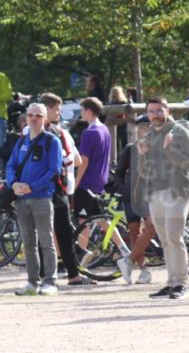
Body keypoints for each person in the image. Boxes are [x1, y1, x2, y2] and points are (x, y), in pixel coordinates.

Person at [133, 97, 189, 300]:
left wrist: (170, 149)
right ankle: (171, 283)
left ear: (167, 110)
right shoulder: (149, 135)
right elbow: (143, 173)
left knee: (174, 237)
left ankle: (181, 284)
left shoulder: (180, 132)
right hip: (155, 194)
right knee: (164, 240)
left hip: (177, 192)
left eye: (159, 110)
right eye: (151, 111)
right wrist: (143, 155)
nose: (155, 114)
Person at [6, 103, 62, 296]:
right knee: (28, 242)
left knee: (46, 240)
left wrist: (33, 186)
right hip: (22, 199)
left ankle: (50, 281)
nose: (34, 118)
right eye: (30, 115)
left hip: (42, 198)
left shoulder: (52, 141)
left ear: (45, 118)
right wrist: (13, 183)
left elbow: (54, 170)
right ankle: (32, 281)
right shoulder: (21, 141)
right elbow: (10, 165)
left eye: (38, 115)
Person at [39, 93, 91, 287]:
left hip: (57, 187)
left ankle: (66, 272)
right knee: (49, 231)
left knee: (59, 231)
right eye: (57, 109)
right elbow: (73, 159)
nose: (60, 113)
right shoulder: (45, 131)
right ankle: (48, 273)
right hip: (50, 187)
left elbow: (71, 158)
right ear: (48, 109)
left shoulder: (57, 131)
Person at [115, 116, 156, 284]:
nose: (142, 130)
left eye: (146, 127)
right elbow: (118, 172)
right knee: (134, 231)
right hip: (131, 196)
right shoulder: (130, 149)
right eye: (140, 128)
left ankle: (128, 260)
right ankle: (143, 270)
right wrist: (123, 189)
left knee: (151, 227)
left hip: (151, 196)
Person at [73, 97, 112, 220]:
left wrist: (76, 183)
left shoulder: (89, 132)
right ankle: (120, 241)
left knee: (83, 220)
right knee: (100, 219)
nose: (81, 113)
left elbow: (84, 161)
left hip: (87, 182)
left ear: (89, 111)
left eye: (82, 110)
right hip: (100, 180)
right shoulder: (105, 129)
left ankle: (82, 241)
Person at [106, 86, 131, 151]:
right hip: (123, 125)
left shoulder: (110, 104)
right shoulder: (125, 103)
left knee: (114, 145)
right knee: (124, 144)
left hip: (113, 125)